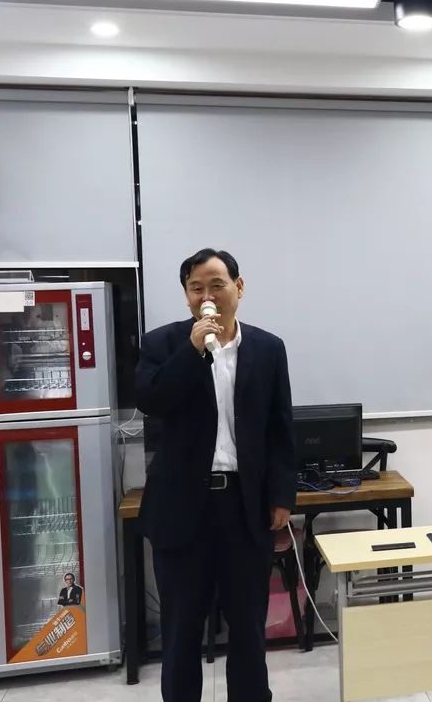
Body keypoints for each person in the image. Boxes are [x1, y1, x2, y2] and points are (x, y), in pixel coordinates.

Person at [135, 248, 296, 702]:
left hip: (244, 509)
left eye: (217, 285)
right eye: (196, 288)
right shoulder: (162, 344)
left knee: (248, 629)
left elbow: (280, 429)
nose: (207, 296)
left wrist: (282, 496)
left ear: (238, 288)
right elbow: (151, 400)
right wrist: (191, 352)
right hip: (182, 510)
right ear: (186, 296)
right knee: (181, 632)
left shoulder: (268, 348)